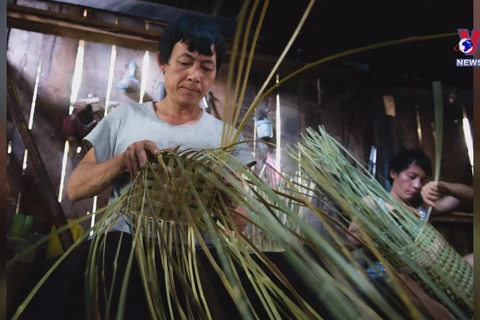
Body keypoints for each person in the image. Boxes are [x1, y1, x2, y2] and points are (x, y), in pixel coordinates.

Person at [347, 149, 472, 319]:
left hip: (431, 271)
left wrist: (444, 186)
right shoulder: (374, 203)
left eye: (422, 180)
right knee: (404, 282)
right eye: (412, 177)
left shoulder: (422, 210)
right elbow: (352, 238)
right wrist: (382, 213)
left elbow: (470, 195)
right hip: (392, 275)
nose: (417, 185)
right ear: (393, 173)